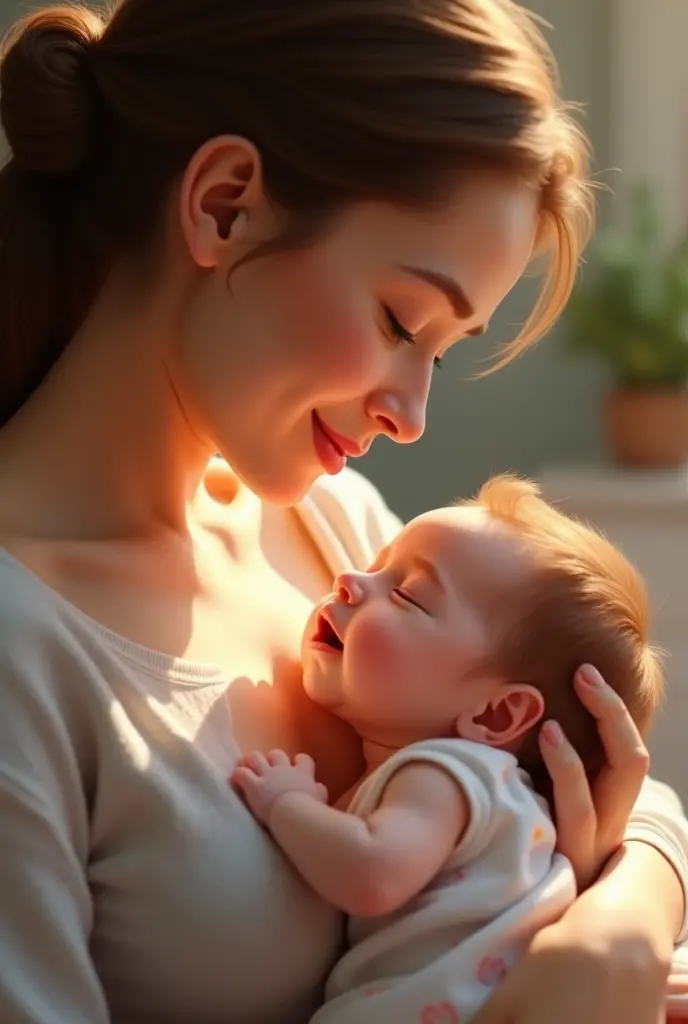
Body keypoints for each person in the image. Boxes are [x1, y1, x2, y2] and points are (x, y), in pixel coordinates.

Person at [0, 1, 684, 1023]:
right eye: (401, 320)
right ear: (225, 206)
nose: (409, 416)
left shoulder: (340, 534)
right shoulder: (26, 651)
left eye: (441, 350)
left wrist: (613, 931)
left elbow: (635, 797)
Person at [232, 474, 665, 1023]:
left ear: (495, 714)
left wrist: (286, 804)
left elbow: (373, 874)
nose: (347, 579)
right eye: (377, 563)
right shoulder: (500, 794)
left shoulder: (444, 772)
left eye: (407, 593)